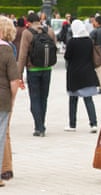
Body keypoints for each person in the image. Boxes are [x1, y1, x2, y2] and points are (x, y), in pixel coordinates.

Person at [17, 12, 57, 137]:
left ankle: (38, 127)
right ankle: (42, 125)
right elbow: (54, 48)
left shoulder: (27, 33)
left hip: (33, 69)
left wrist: (19, 75)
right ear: (39, 20)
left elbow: (22, 55)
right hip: (47, 68)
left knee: (34, 98)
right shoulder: (49, 31)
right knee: (43, 98)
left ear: (28, 22)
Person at [63, 20, 99, 133]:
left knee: (73, 100)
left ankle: (72, 124)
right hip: (87, 72)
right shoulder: (89, 41)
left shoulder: (72, 42)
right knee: (88, 99)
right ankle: (93, 123)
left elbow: (67, 56)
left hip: (74, 73)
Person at [0, 16, 21, 186]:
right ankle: (4, 169)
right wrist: (13, 98)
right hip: (4, 96)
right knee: (3, 134)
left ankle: (5, 167)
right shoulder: (10, 49)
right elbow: (13, 79)